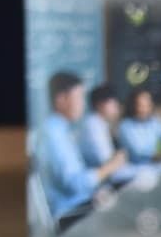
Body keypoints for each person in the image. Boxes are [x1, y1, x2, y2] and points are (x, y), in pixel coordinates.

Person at [35, 72, 126, 228]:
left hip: (81, 205)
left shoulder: (61, 129)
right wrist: (109, 167)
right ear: (61, 99)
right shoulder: (53, 135)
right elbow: (75, 184)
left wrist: (95, 194)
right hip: (70, 215)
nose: (83, 104)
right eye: (79, 97)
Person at [79, 85, 133, 185]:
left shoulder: (100, 123)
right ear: (100, 105)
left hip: (104, 179)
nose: (116, 106)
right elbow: (108, 163)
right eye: (113, 103)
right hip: (97, 183)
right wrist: (119, 158)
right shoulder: (93, 125)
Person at [118, 88, 161, 164]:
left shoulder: (155, 122)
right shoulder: (125, 126)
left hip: (154, 165)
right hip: (134, 167)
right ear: (133, 106)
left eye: (147, 105)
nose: (145, 110)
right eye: (141, 106)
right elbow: (139, 153)